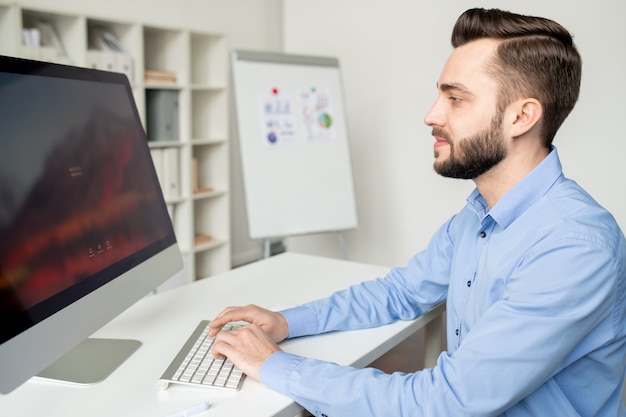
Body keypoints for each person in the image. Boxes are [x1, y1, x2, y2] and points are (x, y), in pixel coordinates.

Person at [209, 7, 626, 416]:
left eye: (456, 98)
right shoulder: (478, 217)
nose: (431, 115)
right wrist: (285, 322)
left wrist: (274, 365)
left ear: (521, 116)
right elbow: (401, 292)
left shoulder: (573, 245)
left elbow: (445, 402)